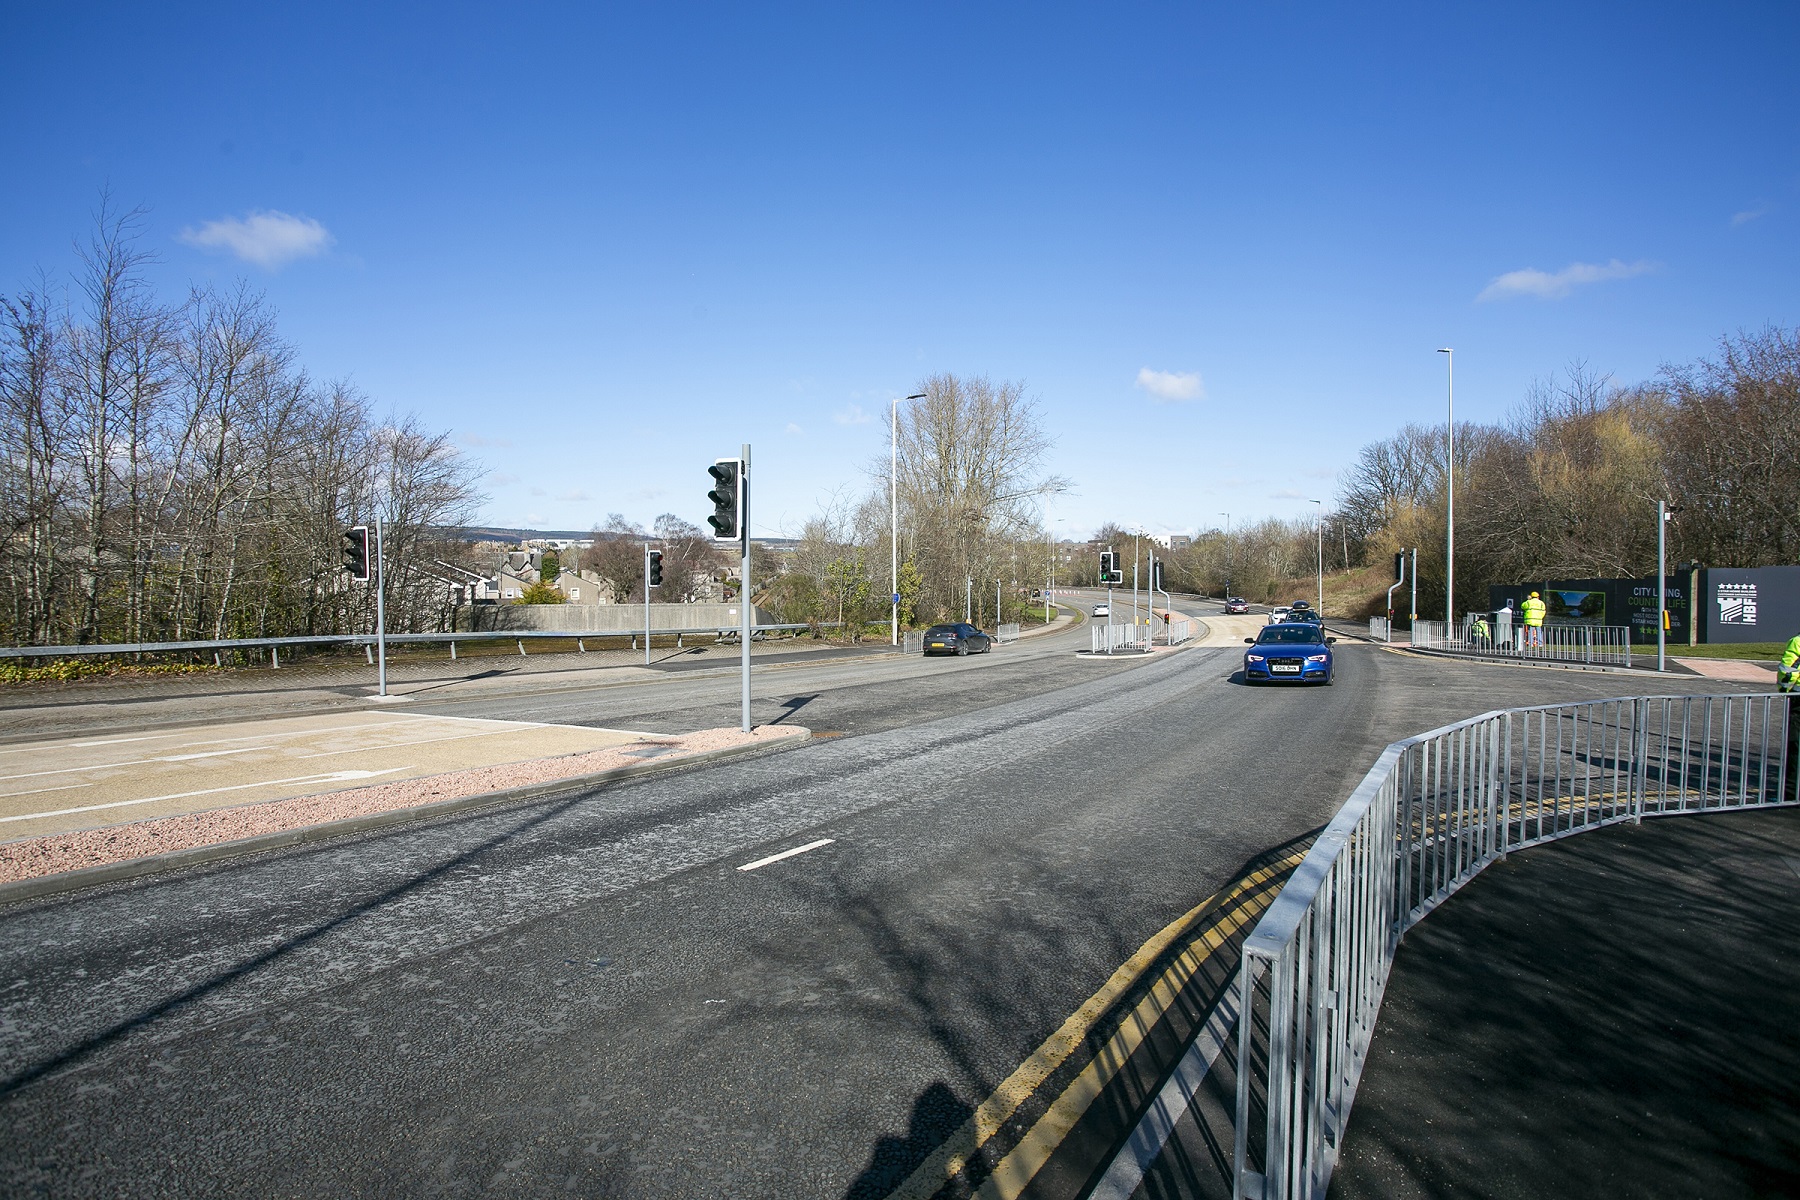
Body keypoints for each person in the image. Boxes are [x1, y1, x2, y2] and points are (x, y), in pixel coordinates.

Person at [1782, 631, 1800, 800]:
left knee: (1796, 746)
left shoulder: (1797, 642)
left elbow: (1788, 671)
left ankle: (1791, 793)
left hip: (1798, 699)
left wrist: (1784, 691)